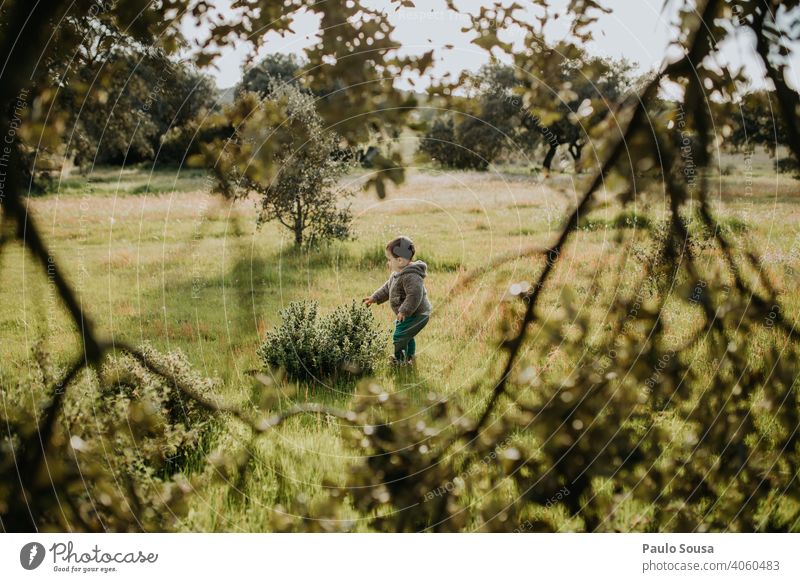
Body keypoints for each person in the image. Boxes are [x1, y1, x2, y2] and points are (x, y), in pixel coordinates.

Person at [363, 235, 432, 365]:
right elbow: (387, 288)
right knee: (407, 336)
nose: (388, 263)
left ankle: (399, 361)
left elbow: (414, 295)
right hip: (409, 314)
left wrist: (404, 311)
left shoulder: (411, 276)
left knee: (399, 336)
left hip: (417, 314)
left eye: (389, 259)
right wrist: (374, 298)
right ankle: (409, 358)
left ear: (400, 260)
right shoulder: (396, 274)